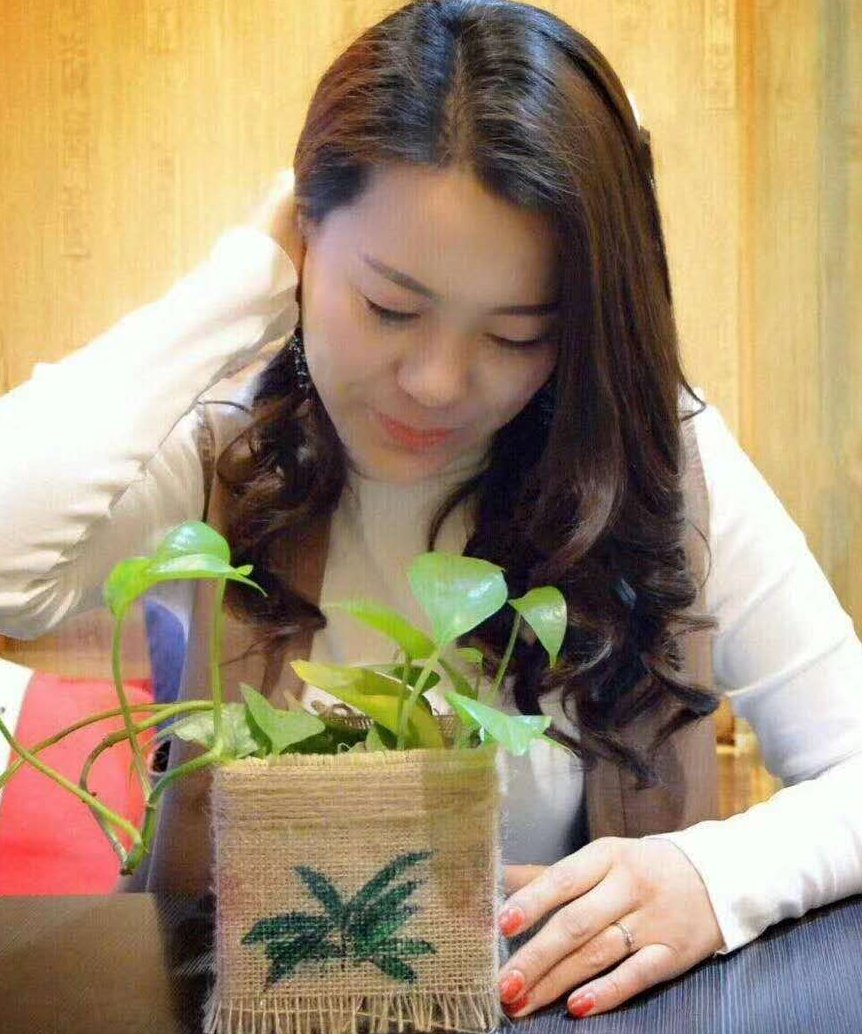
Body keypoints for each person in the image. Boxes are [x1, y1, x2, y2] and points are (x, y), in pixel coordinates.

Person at [1, 0, 860, 1021]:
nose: (439, 383)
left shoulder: (657, 464)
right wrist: (240, 277)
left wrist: (714, 877)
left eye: (518, 334)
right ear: (305, 242)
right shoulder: (226, 455)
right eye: (390, 307)